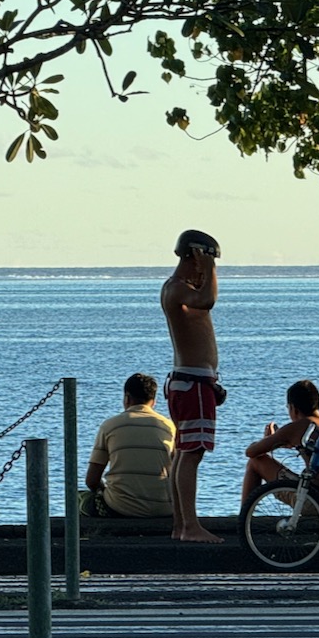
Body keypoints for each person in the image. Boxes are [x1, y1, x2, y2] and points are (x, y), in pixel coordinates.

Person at [160, 228, 224, 543]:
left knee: (183, 452)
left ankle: (180, 525)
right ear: (195, 254)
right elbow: (208, 300)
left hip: (196, 381)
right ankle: (189, 526)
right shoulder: (176, 290)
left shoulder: (182, 289)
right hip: (191, 382)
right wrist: (209, 269)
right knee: (191, 452)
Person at [241, 380, 319, 515]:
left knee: (256, 461)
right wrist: (282, 441)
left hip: (316, 503)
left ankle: (243, 517)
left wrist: (268, 439)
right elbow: (314, 448)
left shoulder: (300, 426)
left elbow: (251, 452)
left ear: (293, 408)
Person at [80, 373, 175, 519]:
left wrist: (103, 490)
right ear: (154, 401)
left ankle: (89, 539)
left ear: (127, 398)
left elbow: (91, 480)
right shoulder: (169, 427)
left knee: (80, 499)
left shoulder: (110, 426)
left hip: (120, 508)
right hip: (165, 508)